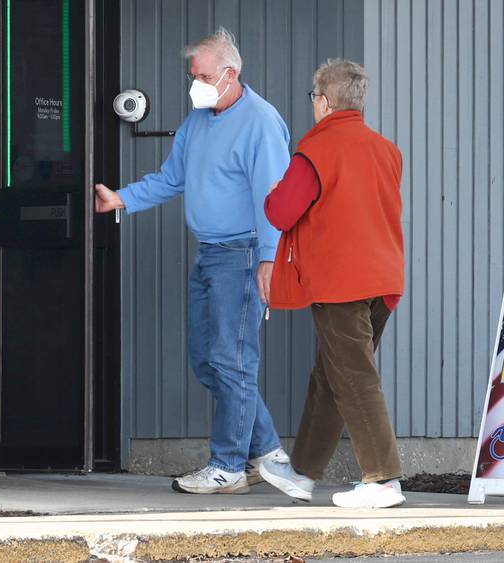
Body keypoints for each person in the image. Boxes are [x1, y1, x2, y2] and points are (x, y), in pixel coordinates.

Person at [94, 28, 290, 494]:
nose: (195, 84)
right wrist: (120, 198)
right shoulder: (198, 120)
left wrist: (269, 260)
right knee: (209, 360)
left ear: (230, 73)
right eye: (193, 75)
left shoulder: (260, 122)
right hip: (210, 255)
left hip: (242, 255)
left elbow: (274, 199)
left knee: (232, 360)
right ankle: (267, 451)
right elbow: (170, 178)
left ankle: (227, 466)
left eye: (202, 75)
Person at [259, 59, 406, 509]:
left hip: (340, 282)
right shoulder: (386, 149)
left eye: (313, 98)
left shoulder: (316, 149)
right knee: (331, 376)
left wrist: (273, 190)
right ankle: (302, 472)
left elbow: (280, 212)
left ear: (323, 102)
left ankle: (383, 479)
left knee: (354, 377)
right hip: (384, 279)